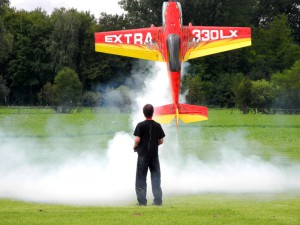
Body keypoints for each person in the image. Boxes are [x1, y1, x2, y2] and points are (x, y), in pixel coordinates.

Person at [133, 104, 165, 206]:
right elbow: (161, 141)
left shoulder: (140, 125)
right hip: (154, 156)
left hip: (143, 155)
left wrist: (135, 146)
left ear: (144, 113)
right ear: (153, 112)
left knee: (141, 178)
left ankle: (142, 202)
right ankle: (157, 201)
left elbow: (137, 139)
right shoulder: (158, 125)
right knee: (156, 178)